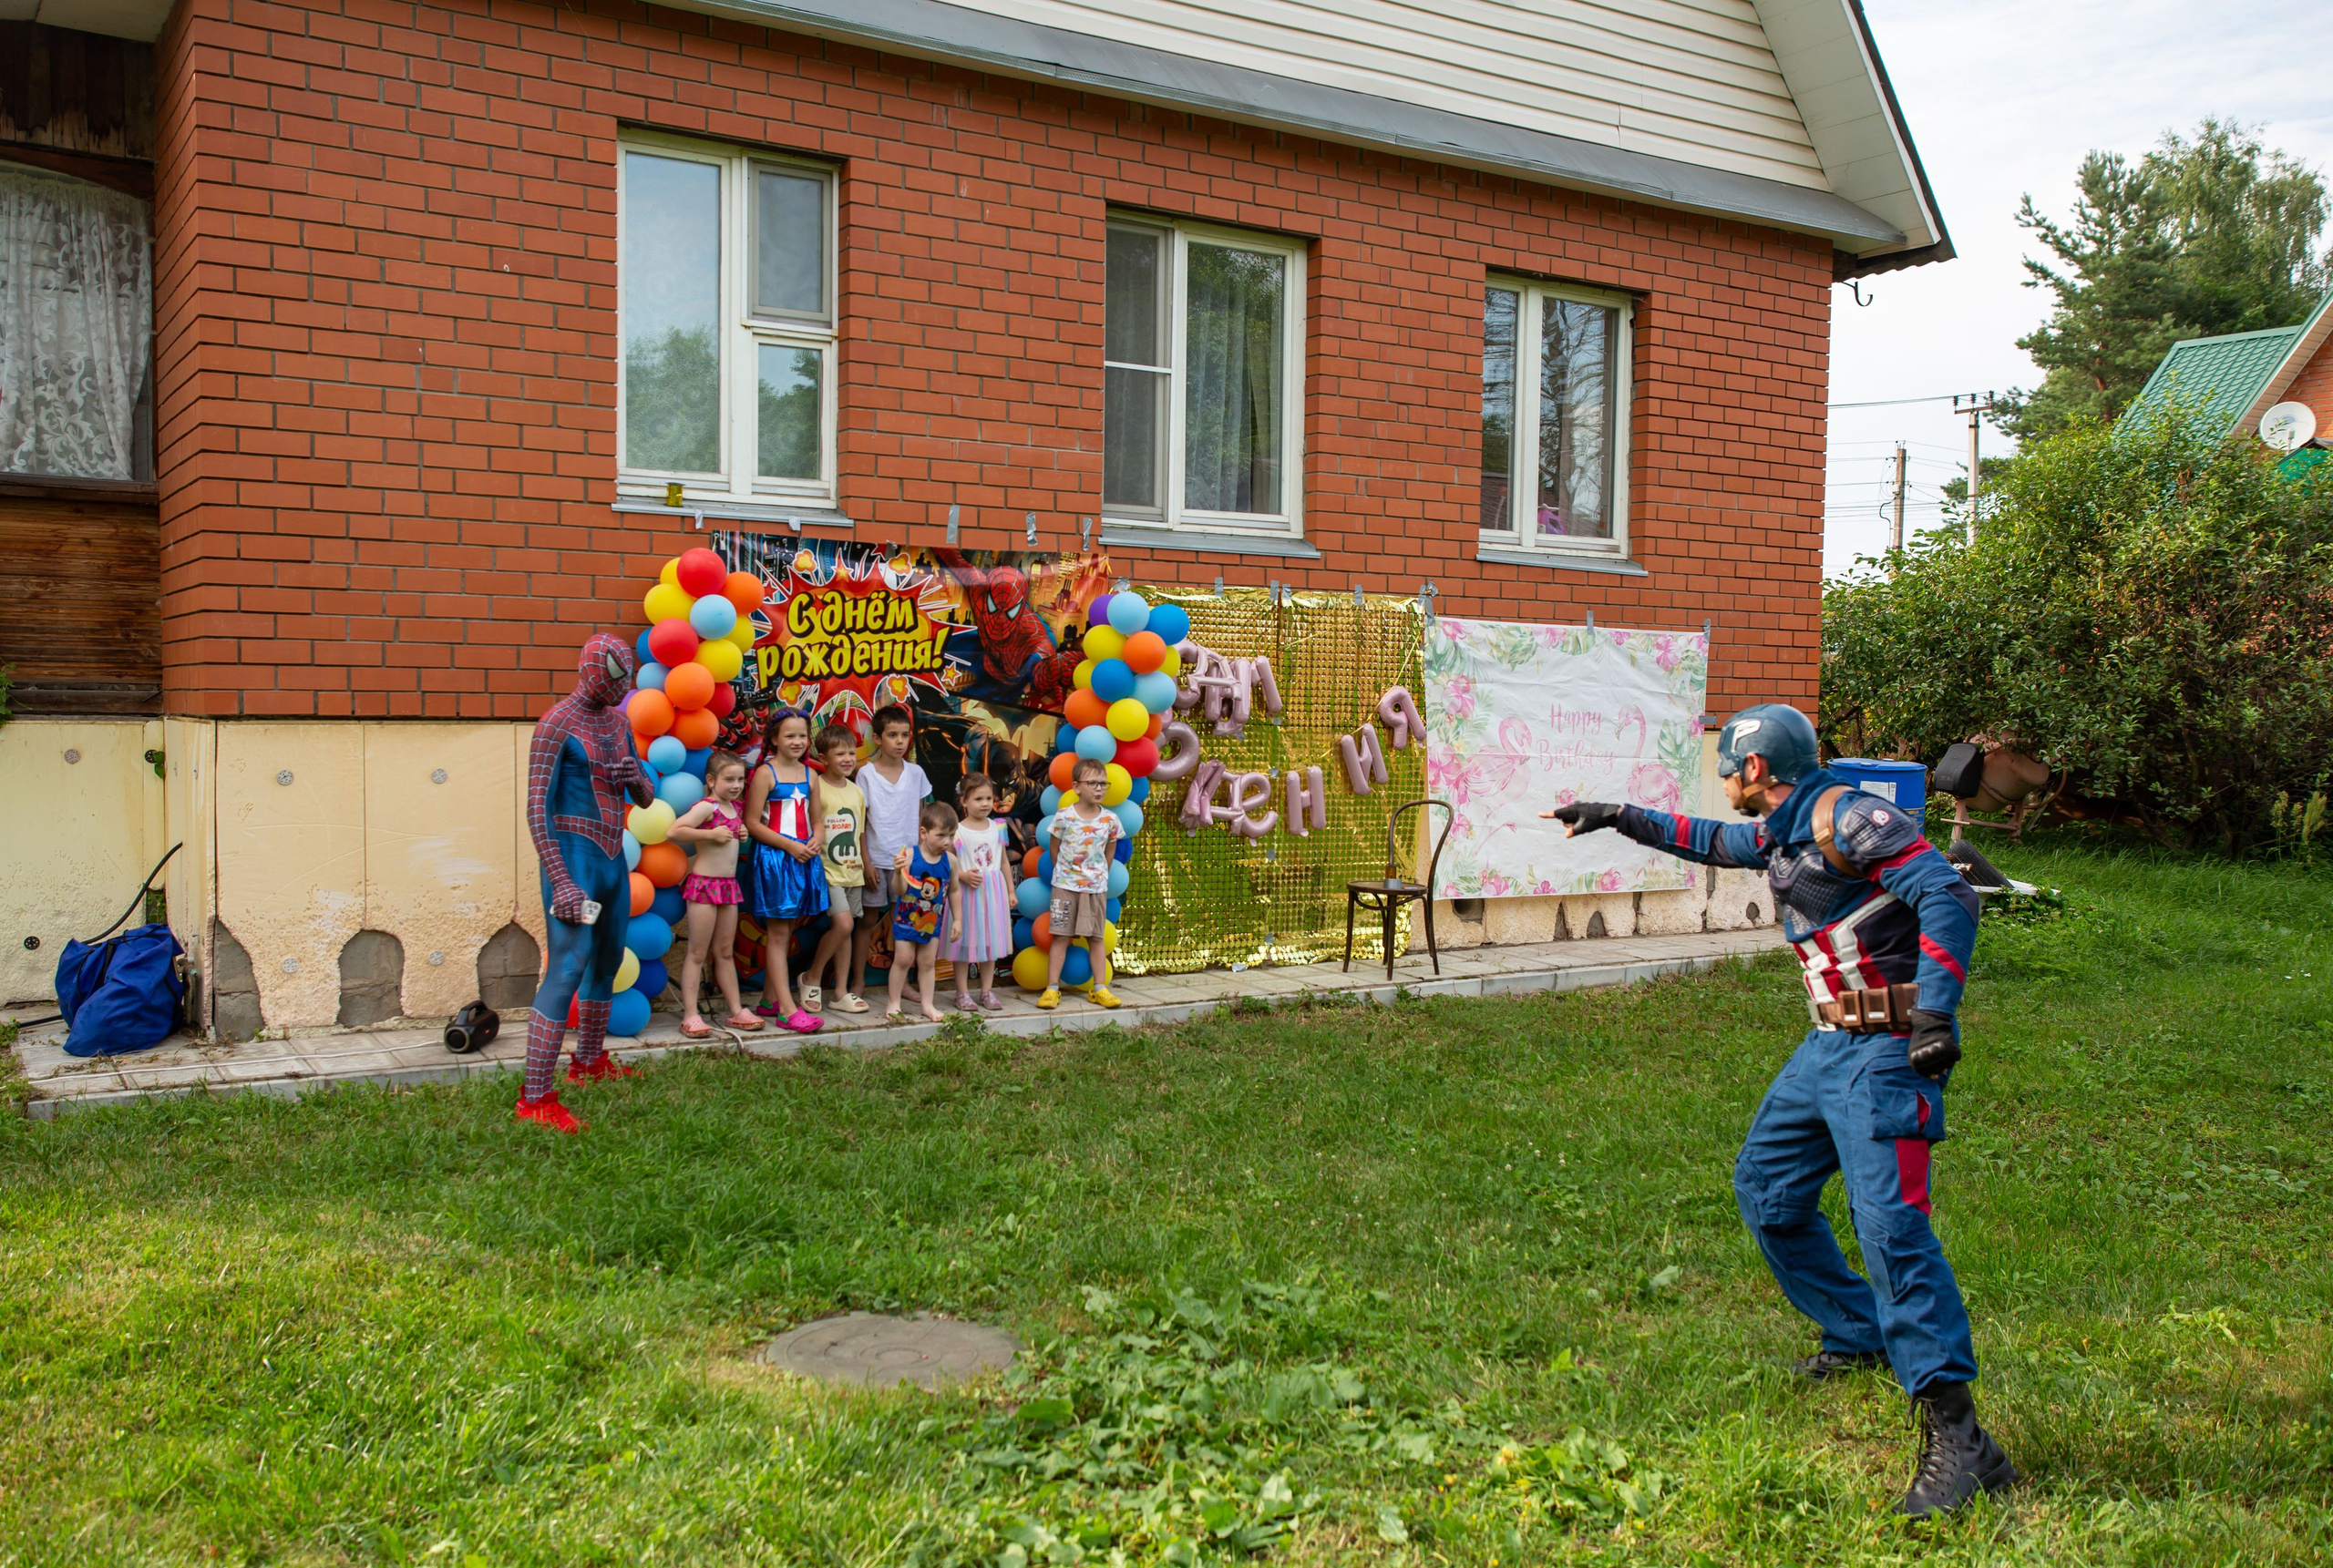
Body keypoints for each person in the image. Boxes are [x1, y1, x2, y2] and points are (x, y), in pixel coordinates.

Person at [1546, 702, 2011, 1519]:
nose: (1723, 776)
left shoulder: (1853, 818)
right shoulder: (1782, 828)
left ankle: (1962, 1440)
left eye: (1728, 764)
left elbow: (1949, 896)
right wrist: (1616, 815)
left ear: (1755, 768)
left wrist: (1936, 1013)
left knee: (1892, 1230)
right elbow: (1710, 841)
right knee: (1767, 1189)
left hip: (1887, 1049)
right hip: (1827, 1046)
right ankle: (1858, 1330)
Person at [518, 633, 657, 1133]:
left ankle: (589, 1065)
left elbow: (645, 792)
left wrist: (633, 778)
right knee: (568, 966)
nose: (621, 689)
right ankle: (534, 1097)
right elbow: (537, 808)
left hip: (611, 854)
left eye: (626, 680)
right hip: (573, 854)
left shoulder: (619, 722)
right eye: (616, 679)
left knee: (608, 959)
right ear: (592, 672)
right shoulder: (557, 723)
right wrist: (560, 880)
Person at [667, 751, 764, 1039]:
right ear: (711, 780)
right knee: (698, 952)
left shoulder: (734, 808)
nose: (736, 785)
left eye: (740, 780)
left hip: (728, 887)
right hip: (705, 886)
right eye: (729, 779)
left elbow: (730, 833)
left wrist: (741, 831)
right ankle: (690, 1014)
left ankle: (735, 1010)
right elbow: (674, 831)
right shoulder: (707, 807)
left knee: (724, 952)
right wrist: (709, 835)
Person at [743, 709, 827, 1035]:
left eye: (802, 736)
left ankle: (768, 1001)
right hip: (776, 860)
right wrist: (790, 846)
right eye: (789, 735)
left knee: (787, 929)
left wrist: (816, 839)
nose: (797, 741)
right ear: (775, 739)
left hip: (803, 859)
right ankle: (787, 1011)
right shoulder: (765, 773)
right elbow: (751, 823)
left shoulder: (811, 776)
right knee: (779, 933)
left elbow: (817, 819)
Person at [855, 704, 931, 991]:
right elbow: (860, 823)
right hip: (877, 860)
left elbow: (922, 817)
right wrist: (866, 861)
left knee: (907, 924)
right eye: (892, 735)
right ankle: (859, 981)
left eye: (904, 735)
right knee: (867, 922)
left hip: (909, 862)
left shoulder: (916, 774)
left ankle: (903, 984)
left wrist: (922, 858)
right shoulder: (866, 775)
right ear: (877, 738)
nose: (900, 742)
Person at [1036, 755, 1122, 1010]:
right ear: (1076, 787)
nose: (1099, 789)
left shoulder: (1110, 820)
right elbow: (1055, 849)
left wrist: (1098, 876)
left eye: (1104, 784)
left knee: (1096, 938)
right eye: (1093, 783)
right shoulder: (1064, 817)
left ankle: (1100, 988)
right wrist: (1066, 876)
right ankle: (1052, 989)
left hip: (1095, 889)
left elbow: (1110, 852)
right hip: (1065, 887)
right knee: (1061, 937)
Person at [803, 723, 870, 1014]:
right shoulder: (816, 786)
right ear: (823, 757)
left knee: (846, 929)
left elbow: (861, 832)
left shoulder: (856, 791)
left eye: (851, 753)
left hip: (852, 871)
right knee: (843, 924)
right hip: (827, 870)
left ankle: (840, 992)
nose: (847, 759)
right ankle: (812, 976)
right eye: (839, 753)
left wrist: (866, 864)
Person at [885, 801, 962, 1023]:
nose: (947, 842)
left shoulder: (951, 861)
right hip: (905, 920)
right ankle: (893, 1003)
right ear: (923, 833)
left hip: (932, 923)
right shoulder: (909, 856)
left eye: (951, 835)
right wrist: (899, 873)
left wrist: (958, 919)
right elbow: (898, 891)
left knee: (928, 964)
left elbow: (954, 891)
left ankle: (927, 1005)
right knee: (903, 959)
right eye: (941, 835)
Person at [945, 771, 1013, 1011]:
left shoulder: (998, 827)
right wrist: (962, 875)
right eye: (978, 799)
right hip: (966, 895)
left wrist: (1010, 892)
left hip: (993, 893)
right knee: (964, 945)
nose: (985, 804)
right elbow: (950, 863)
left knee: (990, 944)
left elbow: (1003, 862)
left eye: (988, 798)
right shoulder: (957, 830)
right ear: (964, 801)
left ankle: (986, 991)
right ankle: (962, 993)